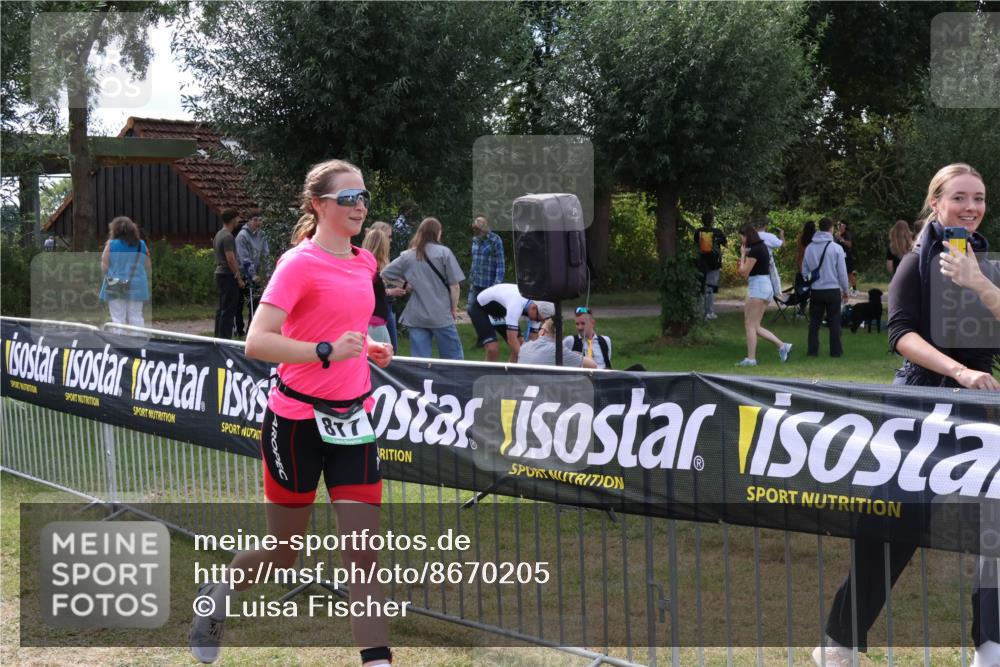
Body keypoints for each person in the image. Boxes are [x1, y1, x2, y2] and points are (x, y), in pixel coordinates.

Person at [189, 159, 394, 667]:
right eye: (347, 198)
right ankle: (219, 595)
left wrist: (366, 346)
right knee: (284, 554)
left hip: (352, 421)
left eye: (363, 196)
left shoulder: (365, 263)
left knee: (362, 556)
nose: (359, 206)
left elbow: (341, 324)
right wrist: (326, 351)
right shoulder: (297, 264)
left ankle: (378, 660)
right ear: (318, 205)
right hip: (295, 424)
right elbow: (257, 342)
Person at [813, 163, 1000, 667]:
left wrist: (979, 283)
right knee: (891, 526)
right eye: (959, 197)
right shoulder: (915, 261)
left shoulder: (986, 262)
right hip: (920, 407)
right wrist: (960, 372)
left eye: (979, 198)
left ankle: (990, 647)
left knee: (993, 525)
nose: (971, 207)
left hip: (980, 412)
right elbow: (900, 335)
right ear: (935, 203)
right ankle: (839, 644)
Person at [381, 217, 465, 360]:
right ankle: (453, 382)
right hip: (441, 314)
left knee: (420, 361)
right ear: (437, 233)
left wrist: (405, 285)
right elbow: (454, 286)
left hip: (417, 315)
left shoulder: (408, 255)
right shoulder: (444, 253)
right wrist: (453, 308)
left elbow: (385, 273)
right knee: (453, 359)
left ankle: (421, 383)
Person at [736, 223, 792, 367]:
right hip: (764, 286)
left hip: (758, 287)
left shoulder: (755, 250)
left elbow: (744, 273)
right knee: (755, 326)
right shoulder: (761, 247)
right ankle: (782, 346)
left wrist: (742, 255)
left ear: (746, 236)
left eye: (741, 237)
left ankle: (751, 359)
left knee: (749, 324)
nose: (741, 241)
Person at [469, 283, 555, 362]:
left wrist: (531, 355)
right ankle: (486, 376)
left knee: (520, 344)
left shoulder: (537, 311)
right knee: (493, 348)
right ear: (533, 308)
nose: (536, 321)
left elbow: (532, 338)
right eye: (537, 319)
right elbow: (511, 339)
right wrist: (525, 359)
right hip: (481, 309)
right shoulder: (516, 304)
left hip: (501, 311)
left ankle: (510, 375)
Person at [801, 218, 850, 358]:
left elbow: (804, 270)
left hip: (816, 290)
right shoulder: (836, 248)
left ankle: (812, 351)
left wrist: (810, 280)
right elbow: (842, 272)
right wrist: (846, 290)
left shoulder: (810, 247)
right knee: (834, 321)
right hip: (833, 289)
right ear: (831, 229)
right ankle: (835, 352)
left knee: (814, 323)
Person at [99, 216, 151, 328]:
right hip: (137, 283)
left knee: (117, 316)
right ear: (133, 229)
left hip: (115, 282)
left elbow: (104, 265)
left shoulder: (111, 244)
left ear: (114, 230)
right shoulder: (141, 244)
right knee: (136, 315)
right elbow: (147, 265)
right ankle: (138, 340)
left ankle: (119, 341)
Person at [362, 222, 401, 345]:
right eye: (388, 237)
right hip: (374, 319)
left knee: (390, 349)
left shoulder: (376, 262)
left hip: (383, 312)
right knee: (385, 351)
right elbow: (368, 290)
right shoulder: (369, 264)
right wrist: (390, 291)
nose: (390, 241)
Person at [235, 210, 271, 335]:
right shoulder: (242, 236)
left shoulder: (262, 235)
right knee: (239, 303)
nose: (258, 222)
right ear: (249, 221)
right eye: (255, 220)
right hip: (242, 273)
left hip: (256, 274)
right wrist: (252, 274)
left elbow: (266, 254)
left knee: (255, 303)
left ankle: (252, 329)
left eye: (260, 220)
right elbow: (244, 257)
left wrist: (267, 273)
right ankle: (238, 330)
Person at [213, 208, 245, 339]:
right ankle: (225, 339)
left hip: (219, 273)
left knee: (221, 308)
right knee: (228, 309)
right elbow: (230, 259)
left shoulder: (219, 234)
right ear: (232, 219)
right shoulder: (228, 237)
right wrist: (238, 277)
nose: (239, 221)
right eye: (237, 218)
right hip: (227, 275)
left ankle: (218, 336)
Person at [467, 215, 506, 320]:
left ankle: (489, 334)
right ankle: (485, 332)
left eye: (479, 229)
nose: (477, 231)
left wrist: (496, 285)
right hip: (475, 283)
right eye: (475, 229)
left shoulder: (495, 240)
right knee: (470, 309)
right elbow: (475, 261)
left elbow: (501, 264)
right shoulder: (475, 240)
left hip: (489, 285)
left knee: (492, 313)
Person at [519, 318, 597, 368]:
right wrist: (574, 354)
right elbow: (593, 365)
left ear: (542, 332)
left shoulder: (524, 347)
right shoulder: (558, 351)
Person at [695, 210, 727, 319]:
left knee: (701, 288)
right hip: (714, 263)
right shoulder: (718, 232)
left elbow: (695, 246)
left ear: (702, 221)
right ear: (712, 221)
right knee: (710, 288)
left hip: (701, 263)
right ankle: (709, 312)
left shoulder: (698, 231)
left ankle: (699, 312)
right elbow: (725, 245)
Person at [834, 220, 859, 295]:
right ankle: (841, 289)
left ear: (844, 226)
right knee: (839, 272)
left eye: (840, 224)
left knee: (849, 273)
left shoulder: (847, 234)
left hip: (847, 256)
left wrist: (841, 238)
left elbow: (849, 245)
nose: (838, 226)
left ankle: (854, 289)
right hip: (838, 256)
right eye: (837, 225)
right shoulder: (835, 234)